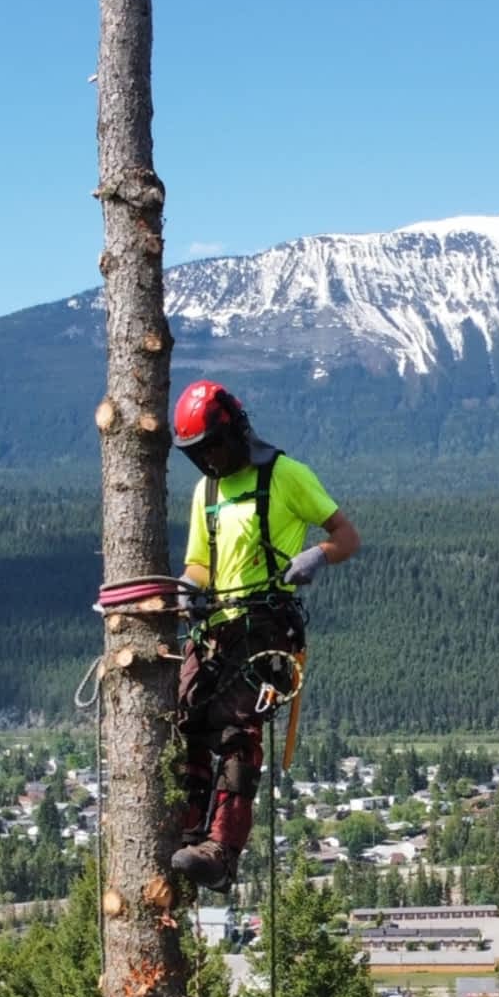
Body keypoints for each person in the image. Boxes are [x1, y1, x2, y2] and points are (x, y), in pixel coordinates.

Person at [169, 379, 360, 889]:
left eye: (212, 446)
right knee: (183, 718)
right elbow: (200, 563)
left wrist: (318, 555)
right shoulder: (205, 491)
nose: (208, 459)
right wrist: (190, 586)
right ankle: (185, 828)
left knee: (237, 732)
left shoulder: (285, 475)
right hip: (214, 626)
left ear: (232, 433)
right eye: (197, 453)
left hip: (265, 628)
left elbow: (346, 536)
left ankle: (222, 849)